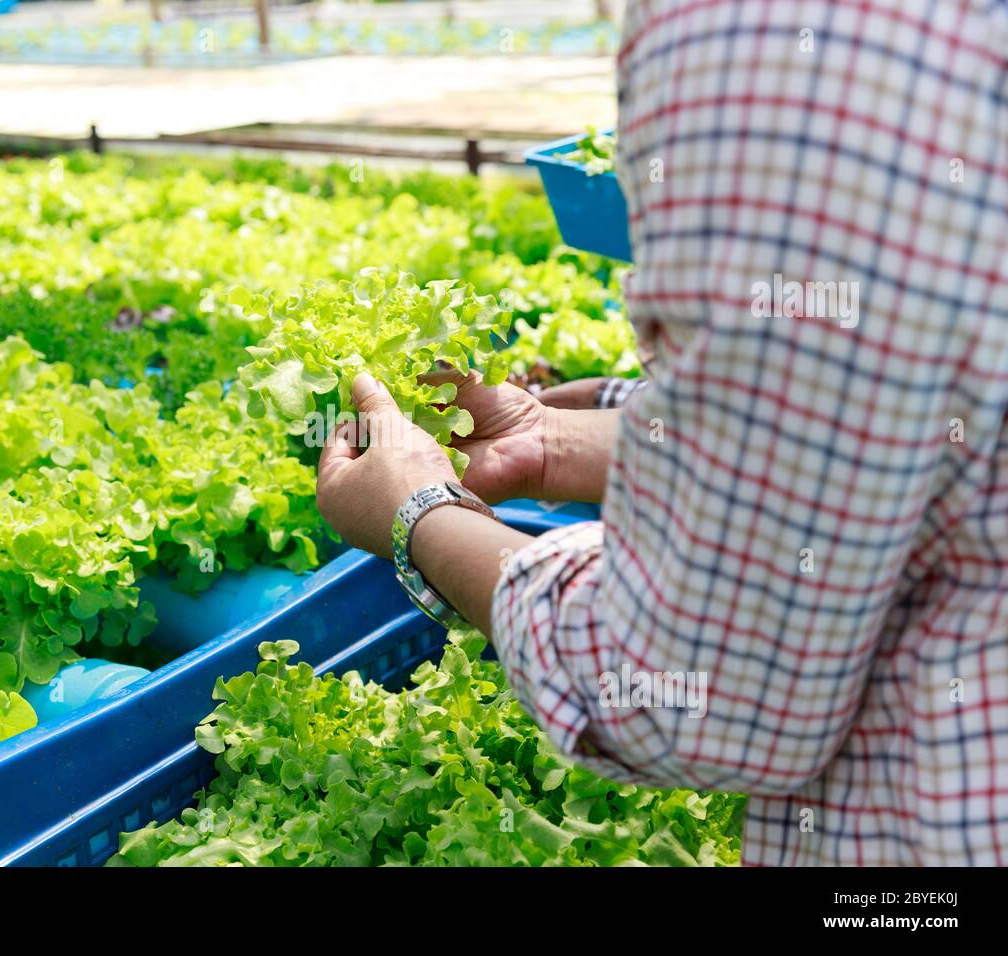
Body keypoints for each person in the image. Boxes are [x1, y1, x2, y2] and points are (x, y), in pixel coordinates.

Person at [316, 0, 1008, 866]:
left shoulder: (769, 32)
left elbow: (708, 693)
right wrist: (552, 439)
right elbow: (915, 421)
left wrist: (421, 515)